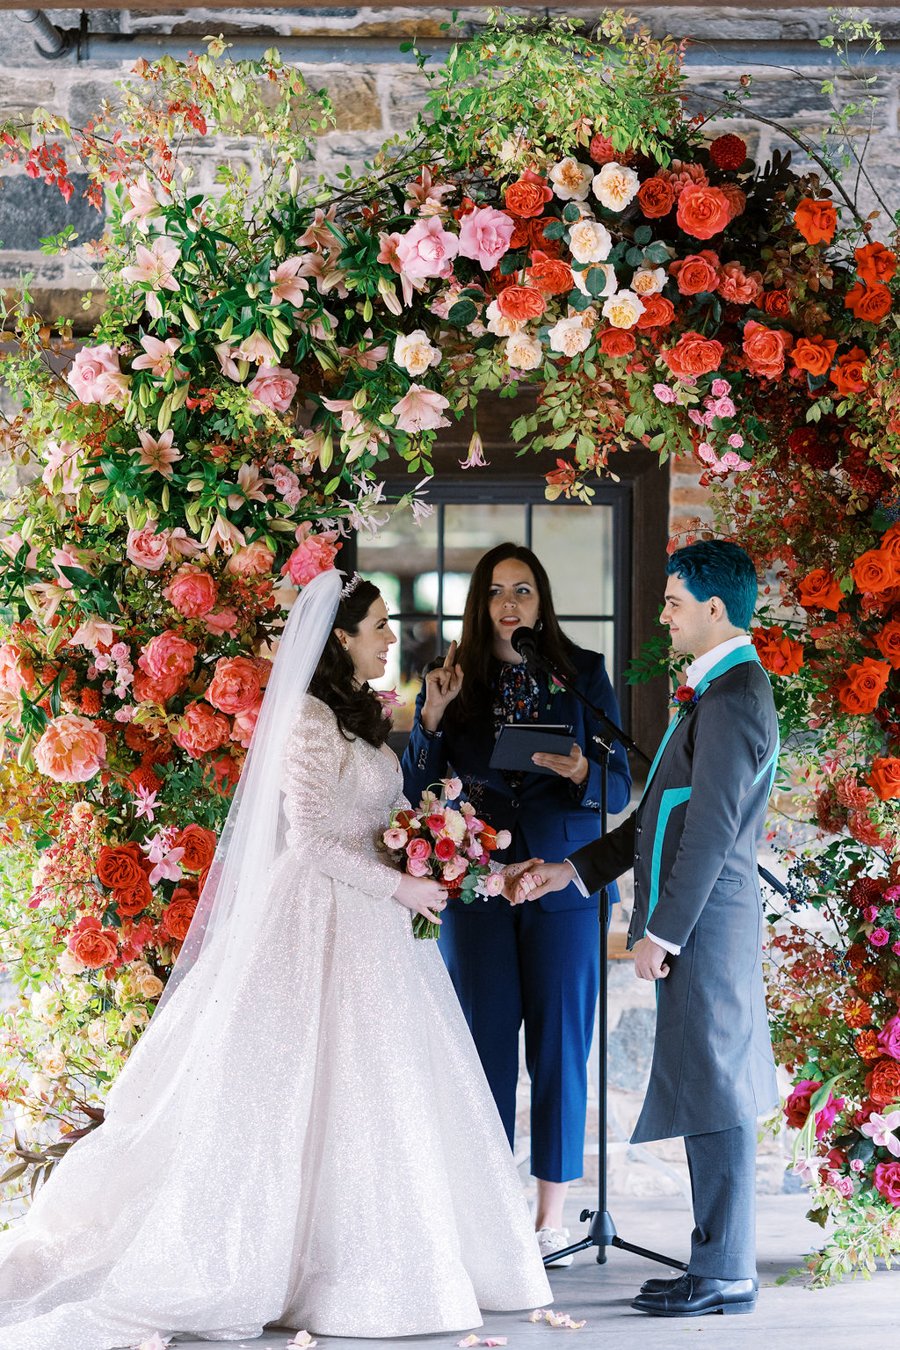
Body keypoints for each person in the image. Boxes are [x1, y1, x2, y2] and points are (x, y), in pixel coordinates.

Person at [0, 568, 551, 1350]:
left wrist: (492, 876)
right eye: (379, 626)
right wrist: (400, 892)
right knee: (297, 1090)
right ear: (341, 637)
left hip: (377, 926)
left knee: (381, 1088)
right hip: (317, 917)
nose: (391, 637)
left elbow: (404, 828)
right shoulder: (306, 717)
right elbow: (314, 839)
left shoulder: (360, 719)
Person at [514, 540, 780, 1318]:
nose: (663, 615)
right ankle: (715, 1262)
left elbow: (710, 830)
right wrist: (571, 871)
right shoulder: (717, 693)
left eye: (671, 602)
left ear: (714, 609)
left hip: (707, 925)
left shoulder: (733, 699)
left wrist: (660, 933)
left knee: (718, 1088)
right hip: (700, 923)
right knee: (706, 1086)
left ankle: (726, 1270)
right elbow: (657, 821)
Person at [401, 542, 631, 1267]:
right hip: (478, 889)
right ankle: (488, 1210)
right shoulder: (449, 679)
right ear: (480, 602)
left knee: (562, 1050)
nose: (510, 604)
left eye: (524, 590)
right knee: (483, 1051)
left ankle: (549, 1219)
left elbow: (622, 792)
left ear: (542, 601)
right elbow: (413, 794)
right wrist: (429, 723)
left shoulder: (584, 673)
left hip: (561, 884)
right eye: (497, 590)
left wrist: (583, 769)